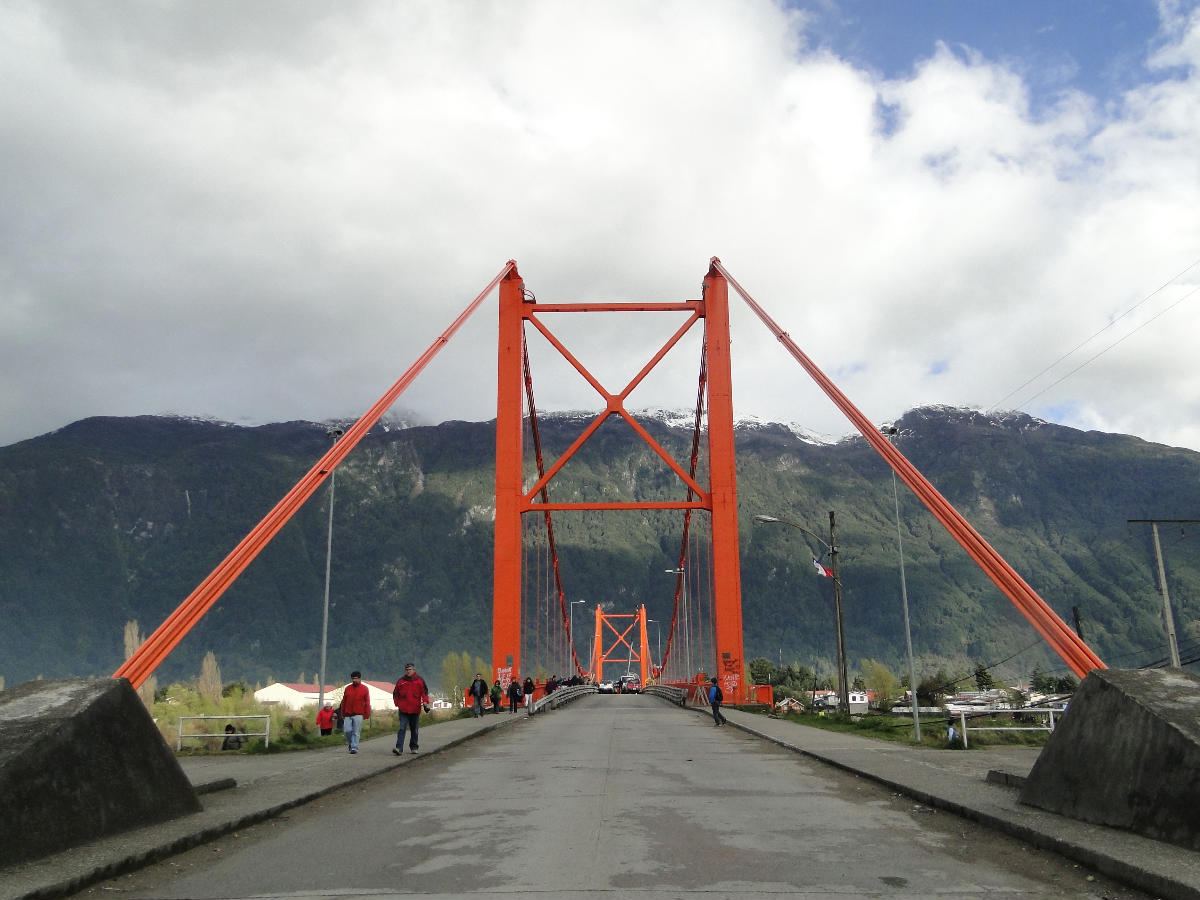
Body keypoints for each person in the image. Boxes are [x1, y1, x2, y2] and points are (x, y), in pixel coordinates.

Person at [392, 662, 430, 755]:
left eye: (410, 669)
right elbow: (395, 693)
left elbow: (424, 693)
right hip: (403, 710)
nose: (408, 671)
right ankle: (399, 748)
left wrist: (425, 703)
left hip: (415, 709)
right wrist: (397, 704)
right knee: (402, 728)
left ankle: (414, 747)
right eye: (407, 670)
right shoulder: (401, 681)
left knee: (414, 729)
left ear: (414, 670)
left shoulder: (420, 681)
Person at [340, 670, 372, 754]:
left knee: (356, 731)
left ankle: (354, 747)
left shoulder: (365, 689)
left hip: (358, 714)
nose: (354, 680)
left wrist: (367, 714)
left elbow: (367, 702)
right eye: (353, 679)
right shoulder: (348, 688)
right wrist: (342, 713)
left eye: (356, 678)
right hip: (347, 714)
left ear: (360, 679)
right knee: (347, 730)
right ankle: (351, 744)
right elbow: (344, 701)